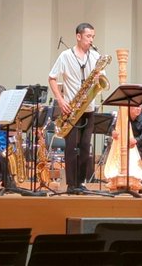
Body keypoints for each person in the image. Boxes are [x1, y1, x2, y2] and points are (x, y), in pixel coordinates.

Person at [48, 22, 104, 194]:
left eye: (93, 37)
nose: (91, 40)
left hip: (89, 109)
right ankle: (71, 185)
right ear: (78, 36)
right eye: (88, 36)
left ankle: (81, 183)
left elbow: (102, 79)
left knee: (85, 147)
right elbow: (52, 78)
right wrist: (60, 100)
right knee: (71, 148)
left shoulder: (95, 56)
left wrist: (98, 78)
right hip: (71, 109)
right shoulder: (65, 56)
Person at [111, 106, 142, 193]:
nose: (138, 109)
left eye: (140, 107)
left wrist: (135, 140)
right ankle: (122, 185)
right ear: (129, 108)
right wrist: (113, 132)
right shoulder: (123, 118)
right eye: (136, 107)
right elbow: (112, 127)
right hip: (126, 148)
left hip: (141, 148)